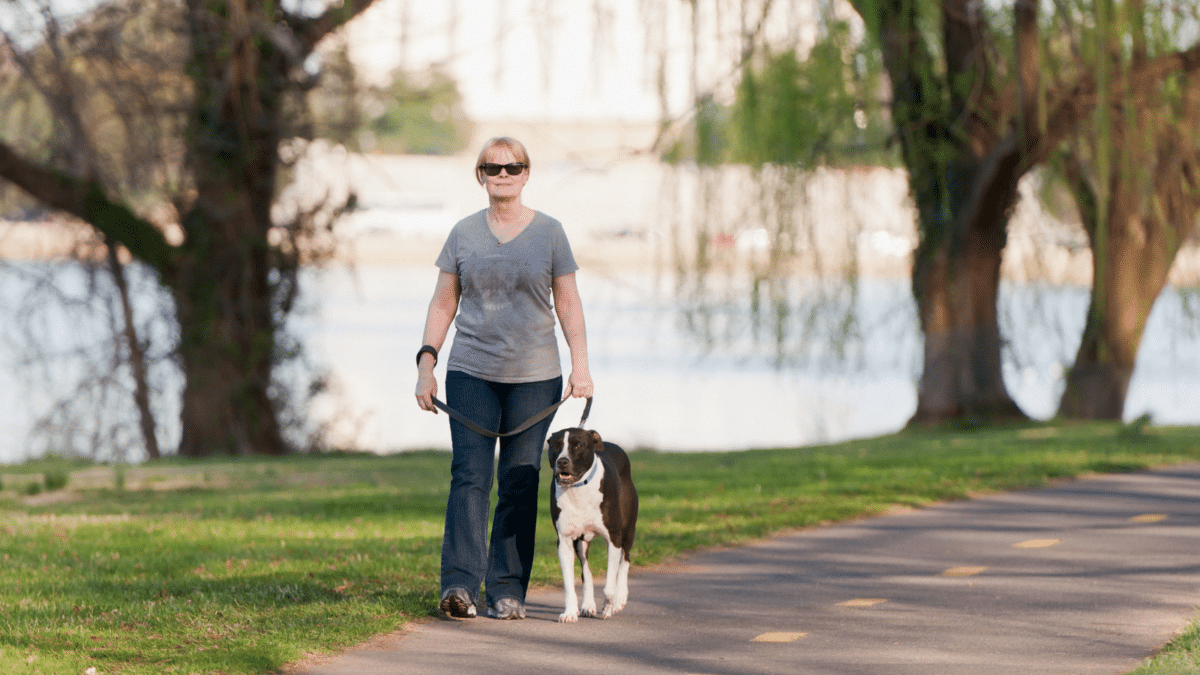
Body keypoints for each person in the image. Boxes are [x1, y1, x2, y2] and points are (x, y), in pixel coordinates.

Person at [414, 137, 593, 620]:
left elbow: (569, 303)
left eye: (513, 167)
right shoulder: (463, 234)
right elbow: (442, 302)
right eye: (493, 168)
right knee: (469, 477)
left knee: (519, 479)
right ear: (481, 176)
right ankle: (459, 587)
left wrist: (581, 365)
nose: (503, 174)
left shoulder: (551, 233)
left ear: (526, 174)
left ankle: (507, 589)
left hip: (536, 378)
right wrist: (426, 364)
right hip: (471, 372)